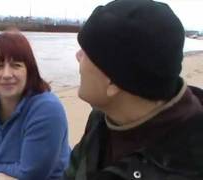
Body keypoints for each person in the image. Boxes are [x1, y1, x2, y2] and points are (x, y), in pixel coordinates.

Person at [64, 0, 203, 179]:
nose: (77, 56)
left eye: (86, 52)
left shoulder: (188, 165)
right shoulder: (104, 118)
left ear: (113, 82)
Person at [0, 30, 71, 180]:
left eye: (16, 65)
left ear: (29, 71)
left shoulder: (47, 109)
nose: (7, 74)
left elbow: (30, 173)